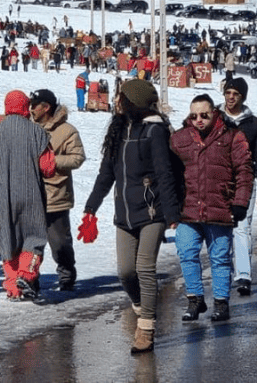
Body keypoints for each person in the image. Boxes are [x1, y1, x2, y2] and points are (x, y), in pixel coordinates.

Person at [80, 79, 181, 354]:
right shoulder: (118, 129)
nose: (116, 102)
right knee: (125, 272)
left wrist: (172, 214)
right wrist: (91, 206)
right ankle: (141, 304)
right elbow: (106, 173)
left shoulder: (155, 130)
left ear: (132, 101)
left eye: (121, 97)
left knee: (145, 268)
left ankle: (146, 328)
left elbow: (165, 173)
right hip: (124, 212)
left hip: (152, 211)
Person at [170, 94, 253, 323]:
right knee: (186, 252)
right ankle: (195, 299)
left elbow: (244, 171)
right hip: (188, 209)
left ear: (214, 113)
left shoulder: (232, 136)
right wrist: (169, 205)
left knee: (219, 257)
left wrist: (240, 202)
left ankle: (221, 302)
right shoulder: (179, 139)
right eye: (193, 115)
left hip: (220, 208)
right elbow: (169, 172)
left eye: (204, 115)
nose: (198, 120)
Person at [0, 91, 58, 300]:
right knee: (33, 237)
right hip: (31, 196)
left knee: (8, 239)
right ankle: (27, 274)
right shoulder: (37, 132)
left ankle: (13, 288)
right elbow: (48, 167)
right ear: (25, 107)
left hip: (3, 197)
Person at [29, 89, 85, 292]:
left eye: (35, 105)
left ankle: (67, 277)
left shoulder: (67, 130)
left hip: (56, 195)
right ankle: (31, 280)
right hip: (30, 196)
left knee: (60, 243)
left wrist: (51, 162)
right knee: (31, 244)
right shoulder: (27, 127)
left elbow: (77, 158)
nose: (31, 109)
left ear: (46, 107)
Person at [221, 77, 257, 297]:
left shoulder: (253, 123)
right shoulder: (215, 118)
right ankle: (224, 273)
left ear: (242, 97)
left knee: (242, 227)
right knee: (221, 227)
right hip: (219, 181)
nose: (231, 97)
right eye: (228, 92)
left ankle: (244, 276)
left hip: (245, 180)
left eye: (235, 94)